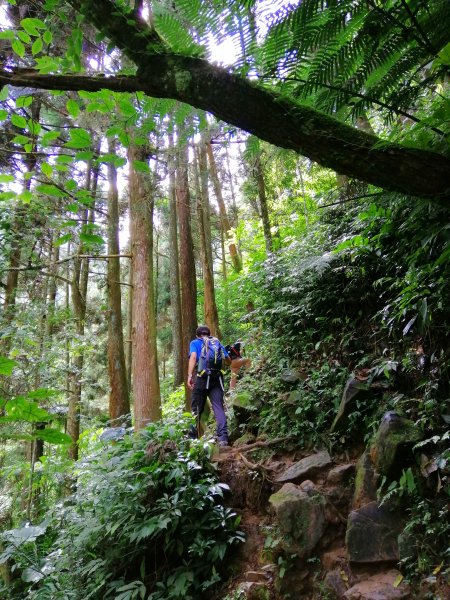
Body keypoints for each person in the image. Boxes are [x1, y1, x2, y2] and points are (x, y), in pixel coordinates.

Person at [187, 325, 232, 447]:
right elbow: (228, 360)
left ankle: (191, 440)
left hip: (201, 379)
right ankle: (223, 438)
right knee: (218, 407)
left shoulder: (195, 342)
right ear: (209, 334)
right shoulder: (216, 342)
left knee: (196, 409)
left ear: (197, 335)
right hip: (217, 379)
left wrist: (189, 375)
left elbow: (194, 357)